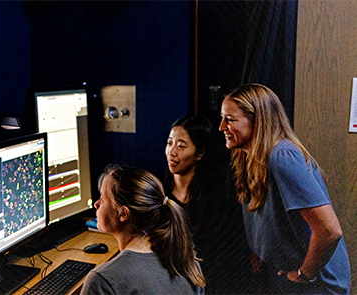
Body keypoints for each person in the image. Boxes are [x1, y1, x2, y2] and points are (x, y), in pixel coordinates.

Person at [220, 83, 350, 294]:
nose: (221, 127)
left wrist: (305, 273)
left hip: (317, 284)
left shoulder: (282, 156)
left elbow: (329, 230)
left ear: (258, 121)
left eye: (230, 120)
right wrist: (259, 250)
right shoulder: (247, 156)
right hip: (284, 278)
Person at [80, 165, 204, 295]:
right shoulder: (189, 263)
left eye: (102, 199)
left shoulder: (103, 281)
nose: (96, 204)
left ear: (123, 214)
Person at [163, 115, 253, 294]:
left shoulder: (214, 197)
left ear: (199, 154)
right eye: (169, 143)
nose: (172, 152)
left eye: (181, 146)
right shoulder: (159, 192)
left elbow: (219, 254)